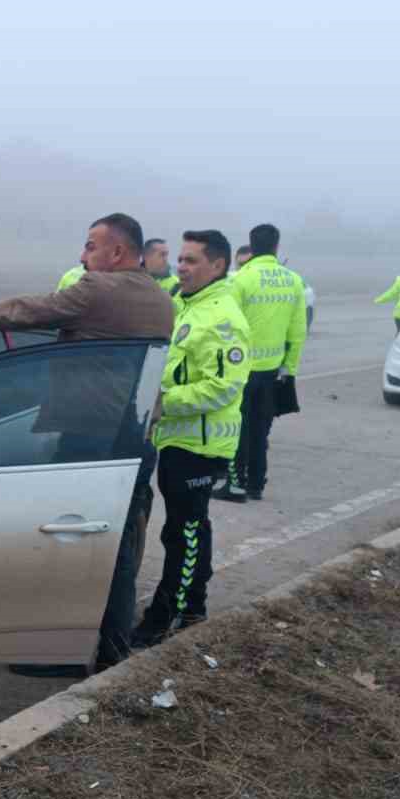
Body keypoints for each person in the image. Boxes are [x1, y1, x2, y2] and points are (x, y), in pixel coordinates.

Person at [0, 212, 175, 670]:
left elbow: (35, 309)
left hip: (90, 440)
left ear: (117, 252)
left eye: (90, 246)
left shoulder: (99, 289)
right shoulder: (160, 299)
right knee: (117, 550)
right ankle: (112, 650)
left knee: (73, 549)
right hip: (134, 438)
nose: (82, 256)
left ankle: (65, 653)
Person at [131, 229, 251, 647]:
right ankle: (193, 604)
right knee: (188, 527)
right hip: (176, 439)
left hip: (201, 444)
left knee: (184, 532)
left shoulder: (223, 319)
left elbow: (224, 387)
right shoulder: (186, 304)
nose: (181, 267)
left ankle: (169, 613)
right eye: (180, 259)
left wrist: (163, 403)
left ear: (217, 265)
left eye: (191, 260)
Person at [215, 223, 306, 503]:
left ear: (251, 247)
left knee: (236, 428)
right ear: (276, 246)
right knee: (260, 430)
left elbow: (226, 326)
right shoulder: (293, 281)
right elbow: (298, 331)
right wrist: (289, 368)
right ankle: (256, 484)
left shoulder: (240, 280)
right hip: (272, 371)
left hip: (241, 370)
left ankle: (236, 485)